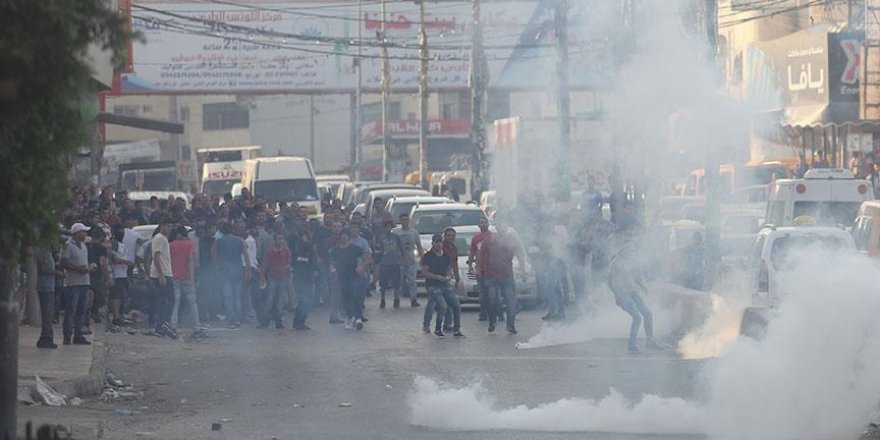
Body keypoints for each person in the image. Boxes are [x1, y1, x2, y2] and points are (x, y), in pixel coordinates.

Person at [607, 237, 660, 354]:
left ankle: (650, 341)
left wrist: (642, 285)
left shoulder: (630, 261)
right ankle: (632, 345)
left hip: (633, 291)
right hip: (623, 294)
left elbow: (636, 275)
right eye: (630, 251)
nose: (632, 253)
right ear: (623, 251)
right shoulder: (615, 263)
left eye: (632, 251)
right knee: (637, 317)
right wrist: (617, 296)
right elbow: (610, 282)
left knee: (648, 314)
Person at [479, 223, 525, 334]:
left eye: (503, 225)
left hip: (506, 275)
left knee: (511, 301)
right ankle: (492, 321)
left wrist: (523, 271)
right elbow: (481, 254)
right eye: (499, 226)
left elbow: (520, 255)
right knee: (492, 300)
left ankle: (510, 325)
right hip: (491, 276)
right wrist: (480, 269)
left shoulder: (511, 240)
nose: (501, 228)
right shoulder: (489, 239)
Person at [420, 233, 463, 338]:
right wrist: (438, 277)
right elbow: (425, 273)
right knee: (442, 306)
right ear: (432, 243)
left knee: (456, 306)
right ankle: (437, 328)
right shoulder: (427, 256)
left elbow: (449, 269)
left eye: (440, 242)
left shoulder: (445, 256)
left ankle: (456, 330)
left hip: (445, 285)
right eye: (436, 242)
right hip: (433, 286)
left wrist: (449, 276)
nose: (438, 244)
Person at [213, 222, 253, 329]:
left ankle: (231, 320)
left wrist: (217, 269)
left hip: (225, 271)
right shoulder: (239, 240)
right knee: (237, 296)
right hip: (238, 270)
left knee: (228, 297)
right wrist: (248, 270)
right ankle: (237, 319)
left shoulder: (219, 241)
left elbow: (215, 257)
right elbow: (246, 255)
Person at [60, 223, 92, 345]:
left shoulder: (83, 246)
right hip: (72, 282)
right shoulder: (68, 245)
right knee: (71, 311)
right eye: (83, 231)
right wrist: (78, 269)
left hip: (84, 281)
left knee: (81, 310)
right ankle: (67, 336)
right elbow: (63, 262)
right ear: (77, 233)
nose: (85, 234)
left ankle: (78, 335)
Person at [328, 229, 366, 330]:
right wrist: (333, 270)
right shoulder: (335, 250)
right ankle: (350, 317)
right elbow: (332, 263)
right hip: (342, 277)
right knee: (346, 298)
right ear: (339, 237)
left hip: (355, 276)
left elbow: (366, 257)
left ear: (348, 237)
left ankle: (358, 318)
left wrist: (361, 267)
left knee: (356, 297)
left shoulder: (355, 249)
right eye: (342, 235)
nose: (344, 237)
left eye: (346, 235)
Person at [170, 225, 202, 332]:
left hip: (174, 276)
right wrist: (192, 278)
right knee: (192, 302)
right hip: (187, 277)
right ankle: (197, 326)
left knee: (176, 302)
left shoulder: (171, 245)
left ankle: (173, 325)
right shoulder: (190, 244)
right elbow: (191, 261)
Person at [150, 220, 177, 339]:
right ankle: (164, 324)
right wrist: (161, 274)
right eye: (168, 225)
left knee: (163, 300)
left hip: (165, 272)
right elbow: (156, 256)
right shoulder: (160, 238)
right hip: (163, 273)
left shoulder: (162, 238)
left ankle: (160, 327)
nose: (169, 228)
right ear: (162, 225)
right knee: (170, 299)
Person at [260, 232, 290, 329]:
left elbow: (289, 263)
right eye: (278, 239)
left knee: (279, 301)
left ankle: (278, 321)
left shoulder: (286, 251)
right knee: (270, 299)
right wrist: (262, 276)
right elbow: (265, 264)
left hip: (283, 277)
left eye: (282, 239)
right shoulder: (270, 252)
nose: (280, 241)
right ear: (274, 240)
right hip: (272, 277)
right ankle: (265, 321)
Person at [393, 213, 423, 307]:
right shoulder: (395, 232)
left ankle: (413, 299)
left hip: (410, 261)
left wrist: (422, 258)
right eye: (403, 219)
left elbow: (419, 246)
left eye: (407, 219)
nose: (405, 222)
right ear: (400, 221)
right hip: (399, 262)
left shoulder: (414, 232)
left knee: (412, 282)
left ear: (409, 221)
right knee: (398, 282)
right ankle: (396, 299)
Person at [36, 245, 63, 348]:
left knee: (49, 314)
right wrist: (57, 272)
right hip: (45, 287)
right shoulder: (44, 252)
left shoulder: (48, 252)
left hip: (49, 286)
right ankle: (46, 338)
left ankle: (45, 337)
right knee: (47, 314)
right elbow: (44, 269)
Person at [467, 217, 493, 322]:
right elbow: (472, 252)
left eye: (485, 222)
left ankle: (494, 313)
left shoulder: (493, 237)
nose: (484, 224)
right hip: (480, 269)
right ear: (479, 225)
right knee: (482, 294)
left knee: (492, 293)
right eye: (482, 223)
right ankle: (483, 313)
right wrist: (470, 265)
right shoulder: (476, 238)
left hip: (491, 270)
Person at [109, 225, 134, 328]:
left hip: (122, 274)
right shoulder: (114, 243)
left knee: (122, 296)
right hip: (116, 274)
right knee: (116, 296)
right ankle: (116, 316)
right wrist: (125, 261)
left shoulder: (121, 244)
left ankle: (119, 315)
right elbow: (114, 258)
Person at [374, 219, 403, 309]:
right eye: (386, 227)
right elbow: (378, 250)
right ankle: (383, 299)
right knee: (383, 283)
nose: (387, 228)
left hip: (395, 263)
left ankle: (396, 299)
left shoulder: (396, 237)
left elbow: (401, 249)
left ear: (392, 227)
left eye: (389, 227)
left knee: (396, 283)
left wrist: (401, 259)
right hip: (384, 263)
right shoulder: (381, 238)